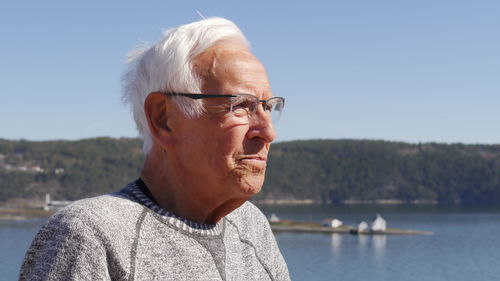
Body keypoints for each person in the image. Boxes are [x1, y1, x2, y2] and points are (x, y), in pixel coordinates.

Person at [19, 17, 290, 281]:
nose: (268, 133)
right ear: (164, 119)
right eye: (241, 105)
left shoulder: (251, 226)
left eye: (268, 107)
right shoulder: (90, 237)